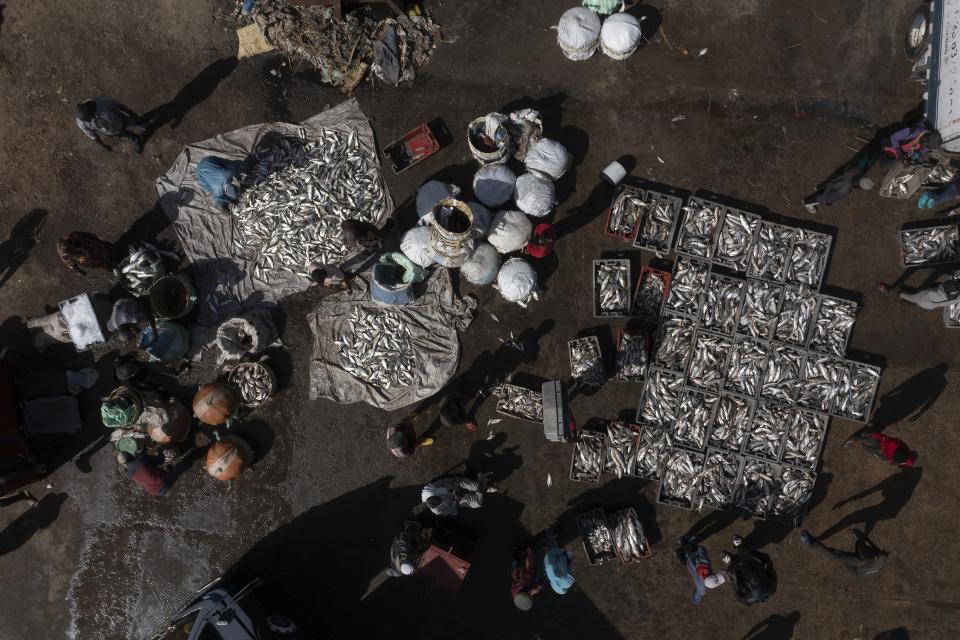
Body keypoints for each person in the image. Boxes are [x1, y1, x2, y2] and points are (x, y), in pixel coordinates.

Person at [802, 155, 876, 214]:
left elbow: (844, 169)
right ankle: (807, 203)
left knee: (820, 189)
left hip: (832, 180)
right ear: (859, 187)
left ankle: (818, 189)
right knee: (816, 199)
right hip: (827, 191)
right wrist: (827, 201)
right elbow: (830, 191)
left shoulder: (857, 170)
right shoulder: (846, 188)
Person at [799, 528, 889, 576]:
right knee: (861, 545)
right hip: (866, 566)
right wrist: (862, 536)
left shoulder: (857, 560)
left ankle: (809, 541)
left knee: (835, 554)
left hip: (857, 569)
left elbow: (829, 553)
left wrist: (811, 542)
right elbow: (873, 545)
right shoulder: (880, 556)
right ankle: (860, 541)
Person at [74, 96, 147, 153]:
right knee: (128, 136)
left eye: (89, 118)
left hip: (120, 119)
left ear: (89, 109)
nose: (89, 121)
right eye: (86, 120)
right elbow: (93, 136)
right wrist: (104, 146)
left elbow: (120, 106)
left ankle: (141, 122)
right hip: (113, 131)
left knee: (133, 121)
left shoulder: (102, 102)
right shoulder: (81, 122)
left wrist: (133, 114)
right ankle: (136, 139)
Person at [720, 536, 776, 606]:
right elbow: (737, 596)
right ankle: (731, 556)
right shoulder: (749, 600)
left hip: (751, 569)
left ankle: (736, 549)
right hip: (749, 570)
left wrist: (769, 565)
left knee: (744, 559)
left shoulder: (772, 588)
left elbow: (771, 572)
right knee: (744, 560)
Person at [675, 537, 725, 605]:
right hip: (690, 567)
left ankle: (682, 541)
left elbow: (701, 550)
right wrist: (695, 602)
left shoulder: (706, 563)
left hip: (693, 555)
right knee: (685, 561)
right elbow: (697, 597)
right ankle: (677, 553)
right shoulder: (702, 588)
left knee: (688, 547)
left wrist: (701, 548)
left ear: (712, 575)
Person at [421, 473, 496, 516]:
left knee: (473, 485)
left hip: (453, 485)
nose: (441, 498)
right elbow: (450, 509)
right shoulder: (438, 511)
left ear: (433, 495)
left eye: (438, 497)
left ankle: (482, 485)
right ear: (437, 506)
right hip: (457, 501)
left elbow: (445, 481)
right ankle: (482, 482)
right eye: (440, 501)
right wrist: (455, 500)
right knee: (478, 503)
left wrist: (454, 490)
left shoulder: (428, 489)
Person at [879, 274, 960, 310]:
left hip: (927, 293)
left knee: (914, 294)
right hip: (926, 300)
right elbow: (942, 304)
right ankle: (889, 290)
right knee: (904, 295)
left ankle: (902, 294)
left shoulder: (952, 283)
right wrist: (934, 306)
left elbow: (939, 285)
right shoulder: (957, 297)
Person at [847, 431, 917, 467]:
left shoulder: (905, 459)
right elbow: (883, 438)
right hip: (881, 444)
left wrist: (894, 462)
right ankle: (856, 439)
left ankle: (861, 445)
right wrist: (872, 435)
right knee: (870, 441)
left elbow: (901, 462)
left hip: (885, 455)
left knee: (872, 451)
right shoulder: (894, 444)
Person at [543, 528, 575, 595]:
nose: (571, 574)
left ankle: (548, 531)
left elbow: (562, 560)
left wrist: (563, 551)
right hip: (548, 562)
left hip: (551, 556)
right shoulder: (555, 584)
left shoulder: (561, 572)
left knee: (555, 546)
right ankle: (548, 542)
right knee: (554, 548)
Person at [511, 545, 542, 610]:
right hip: (516, 571)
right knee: (516, 563)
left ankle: (528, 552)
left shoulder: (526, 582)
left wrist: (538, 589)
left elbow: (528, 571)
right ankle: (516, 554)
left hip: (521, 571)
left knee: (530, 568)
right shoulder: (514, 594)